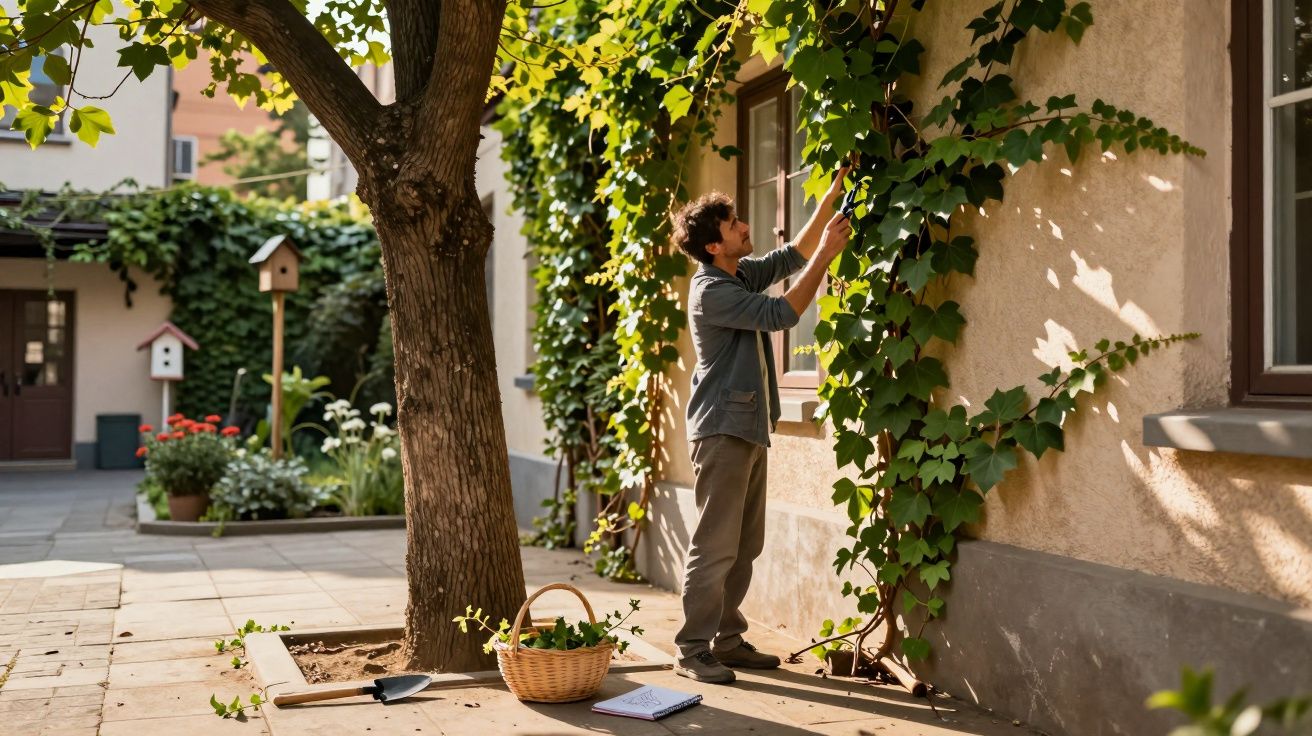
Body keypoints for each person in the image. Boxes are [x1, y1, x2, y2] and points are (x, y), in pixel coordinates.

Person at [669, 167, 853, 684]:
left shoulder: (735, 274)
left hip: (747, 427)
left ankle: (726, 639)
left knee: (745, 545)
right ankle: (692, 647)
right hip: (722, 430)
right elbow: (783, 314)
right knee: (715, 544)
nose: (744, 226)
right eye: (732, 224)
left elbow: (790, 254)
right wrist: (829, 255)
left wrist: (830, 199)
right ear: (712, 245)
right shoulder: (712, 291)